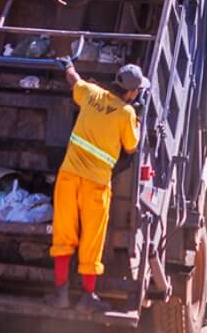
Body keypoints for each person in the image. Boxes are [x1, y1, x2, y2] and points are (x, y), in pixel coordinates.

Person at [47, 60, 145, 311]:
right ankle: (87, 297)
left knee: (63, 235)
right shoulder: (126, 113)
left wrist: (68, 66)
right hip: (96, 185)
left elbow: (75, 81)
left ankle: (61, 294)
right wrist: (138, 122)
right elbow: (131, 147)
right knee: (91, 240)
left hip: (68, 177)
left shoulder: (91, 93)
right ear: (132, 92)